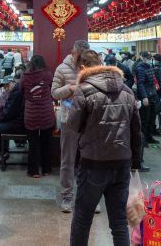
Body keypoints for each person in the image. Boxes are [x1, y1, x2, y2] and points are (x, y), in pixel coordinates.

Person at [66, 50, 142, 246]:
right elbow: (136, 130)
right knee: (119, 222)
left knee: (83, 219)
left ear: (83, 67)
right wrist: (135, 162)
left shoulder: (84, 90)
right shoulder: (127, 90)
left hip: (93, 162)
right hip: (122, 162)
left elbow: (73, 124)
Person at [51, 39, 89, 212]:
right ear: (73, 53)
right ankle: (67, 196)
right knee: (68, 160)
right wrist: (70, 88)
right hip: (69, 120)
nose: (82, 60)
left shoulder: (92, 67)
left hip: (90, 120)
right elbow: (54, 93)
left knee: (89, 160)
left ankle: (89, 196)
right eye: (80, 56)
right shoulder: (62, 68)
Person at [20, 55, 55, 178]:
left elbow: (20, 90)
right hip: (46, 112)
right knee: (46, 142)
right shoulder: (48, 74)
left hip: (31, 113)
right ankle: (46, 169)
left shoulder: (25, 75)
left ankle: (33, 171)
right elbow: (52, 90)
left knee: (33, 143)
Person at [0, 77, 24, 166]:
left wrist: (0, 117)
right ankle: (0, 153)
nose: (6, 88)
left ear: (13, 82)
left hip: (17, 122)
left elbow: (9, 111)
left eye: (7, 85)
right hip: (15, 120)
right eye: (4, 86)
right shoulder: (9, 93)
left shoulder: (16, 92)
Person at [133, 52, 159, 148]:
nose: (149, 59)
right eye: (147, 58)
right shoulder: (140, 68)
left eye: (150, 58)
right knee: (144, 119)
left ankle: (149, 137)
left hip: (152, 95)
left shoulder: (149, 67)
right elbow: (140, 84)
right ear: (142, 58)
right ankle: (142, 140)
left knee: (152, 118)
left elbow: (152, 81)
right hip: (145, 97)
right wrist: (144, 97)